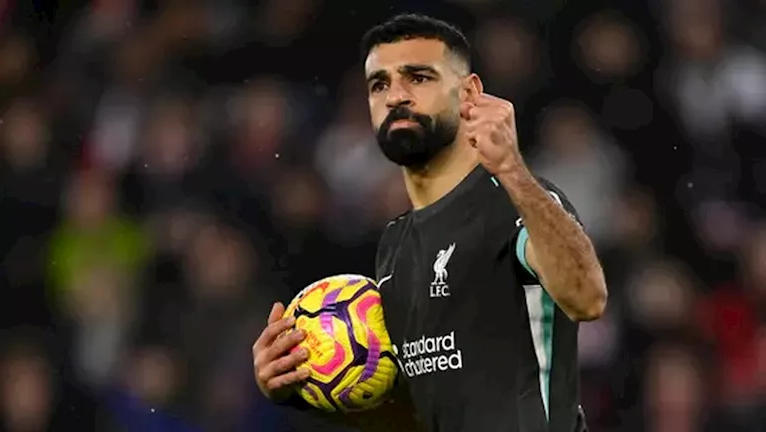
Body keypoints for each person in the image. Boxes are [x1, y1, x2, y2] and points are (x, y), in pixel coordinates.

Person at [252, 13, 607, 432]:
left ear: (468, 93)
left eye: (418, 78)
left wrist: (512, 169)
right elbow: (424, 418)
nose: (395, 96)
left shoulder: (516, 201)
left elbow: (588, 298)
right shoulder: (395, 244)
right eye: (379, 84)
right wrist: (300, 385)